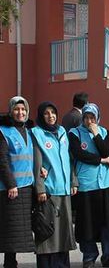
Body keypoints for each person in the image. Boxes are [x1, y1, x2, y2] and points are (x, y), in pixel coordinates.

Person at [68, 103, 109, 268]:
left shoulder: (104, 131)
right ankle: (89, 256)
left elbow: (106, 152)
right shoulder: (75, 133)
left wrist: (95, 134)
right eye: (86, 117)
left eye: (92, 117)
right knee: (87, 223)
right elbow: (79, 154)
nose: (88, 120)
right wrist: (100, 160)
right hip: (86, 184)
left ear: (97, 117)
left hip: (105, 184)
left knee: (108, 223)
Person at [32, 101, 78, 268]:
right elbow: (36, 164)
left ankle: (62, 264)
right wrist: (40, 188)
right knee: (48, 232)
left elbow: (68, 159)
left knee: (64, 232)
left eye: (53, 112)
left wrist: (73, 181)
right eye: (46, 113)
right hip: (49, 190)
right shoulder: (36, 133)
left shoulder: (62, 131)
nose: (50, 116)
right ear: (41, 115)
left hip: (64, 189)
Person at [0, 96, 35, 268]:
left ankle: (11, 262)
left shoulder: (28, 130)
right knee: (9, 229)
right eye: (17, 109)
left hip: (27, 186)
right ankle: (9, 263)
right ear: (11, 111)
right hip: (11, 188)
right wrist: (10, 184)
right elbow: (2, 160)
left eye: (23, 109)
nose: (20, 112)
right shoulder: (4, 131)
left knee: (15, 231)